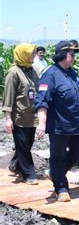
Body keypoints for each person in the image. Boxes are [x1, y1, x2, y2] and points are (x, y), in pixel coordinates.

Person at [35, 41, 79, 202]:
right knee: (57, 156)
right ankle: (61, 188)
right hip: (60, 125)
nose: (74, 58)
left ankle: (55, 173)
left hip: (77, 124)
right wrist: (42, 124)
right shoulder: (50, 75)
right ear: (62, 55)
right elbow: (42, 101)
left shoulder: (73, 73)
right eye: (71, 54)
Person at [2, 43, 40, 185]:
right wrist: (7, 118)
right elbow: (8, 96)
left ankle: (15, 164)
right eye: (31, 54)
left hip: (32, 116)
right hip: (19, 116)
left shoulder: (34, 70)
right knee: (23, 145)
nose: (33, 56)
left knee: (27, 144)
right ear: (23, 54)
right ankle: (28, 174)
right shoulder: (13, 72)